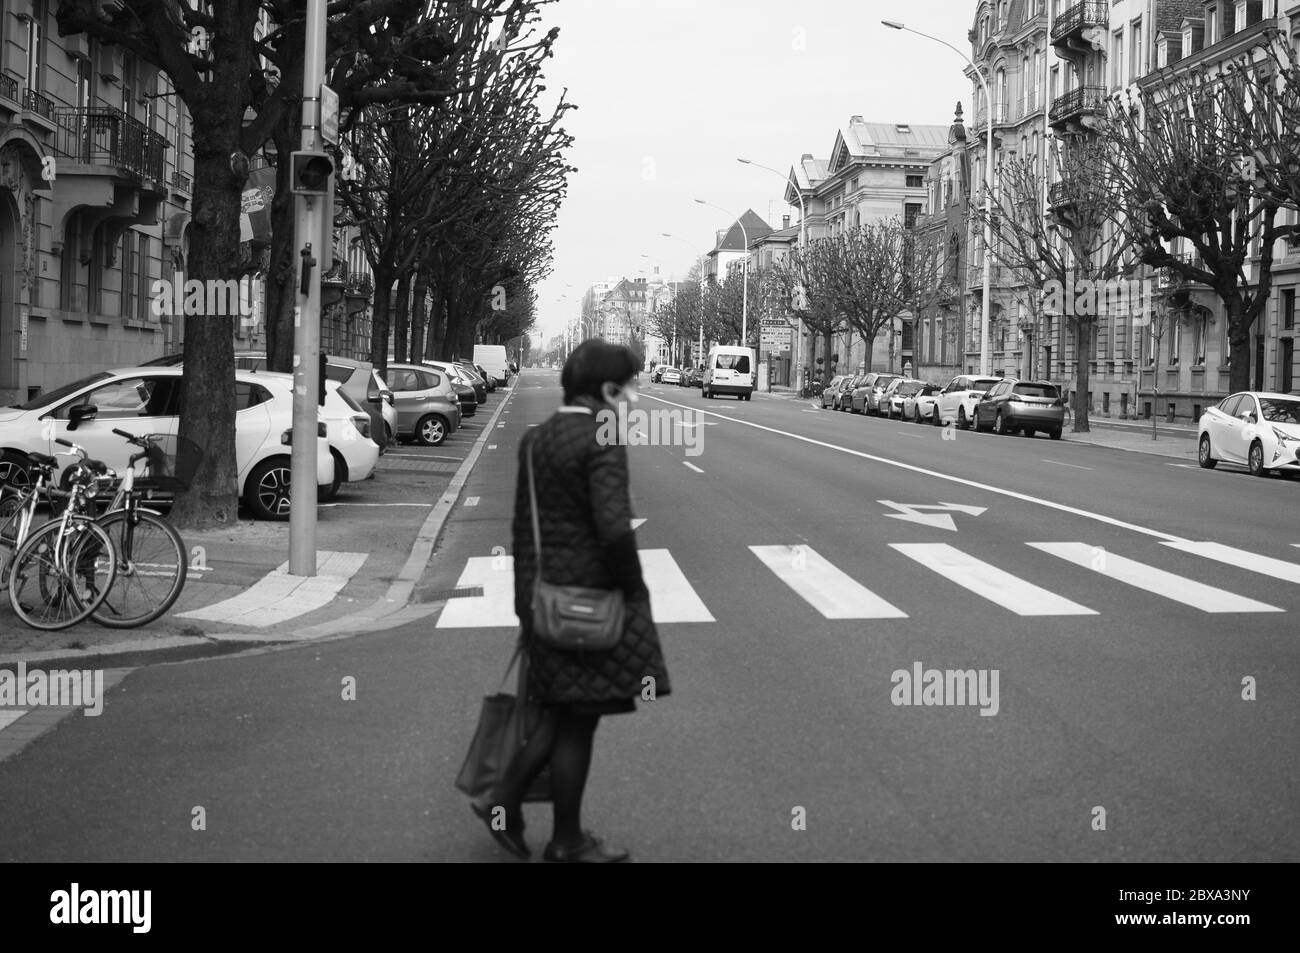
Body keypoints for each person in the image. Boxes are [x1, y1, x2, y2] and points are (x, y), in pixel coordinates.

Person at [471, 339, 671, 863]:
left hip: (545, 599)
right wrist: (635, 590)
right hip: (589, 603)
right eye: (625, 386)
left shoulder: (537, 440)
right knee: (576, 719)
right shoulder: (601, 437)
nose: (630, 396)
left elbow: (522, 528)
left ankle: (525, 814)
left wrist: (523, 605)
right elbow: (613, 528)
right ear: (605, 389)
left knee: (561, 713)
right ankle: (557, 835)